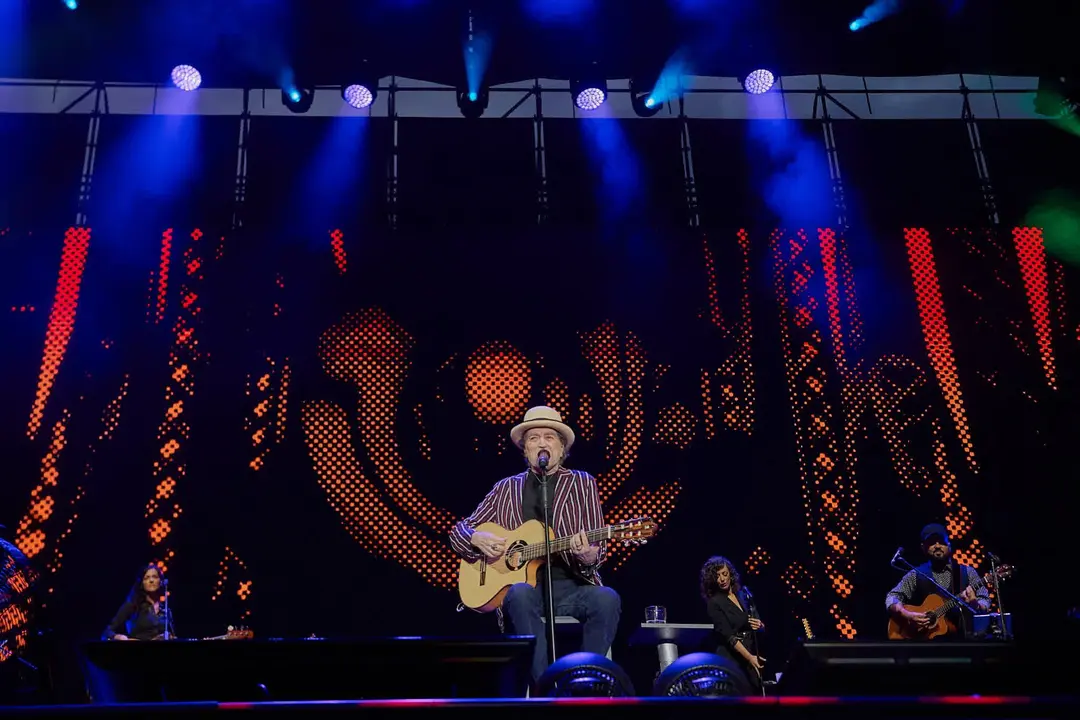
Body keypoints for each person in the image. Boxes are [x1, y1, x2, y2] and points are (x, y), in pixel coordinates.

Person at [449, 406, 621, 685]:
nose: (542, 443)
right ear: (525, 449)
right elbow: (459, 530)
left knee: (607, 598)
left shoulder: (582, 483)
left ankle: (585, 681)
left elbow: (596, 552)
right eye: (533, 438)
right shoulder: (505, 489)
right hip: (525, 593)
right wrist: (475, 538)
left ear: (562, 449)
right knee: (518, 593)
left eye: (549, 437)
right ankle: (546, 686)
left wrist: (588, 555)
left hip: (571, 586)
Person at [886, 523, 990, 639]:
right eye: (931, 542)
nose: (937, 546)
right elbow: (892, 596)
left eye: (941, 541)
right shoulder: (916, 574)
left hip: (963, 639)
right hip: (925, 641)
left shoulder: (967, 572)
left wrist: (976, 605)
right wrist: (907, 614)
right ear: (923, 547)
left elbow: (984, 600)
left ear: (949, 545)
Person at [701, 556, 765, 693]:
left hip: (749, 656)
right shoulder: (714, 603)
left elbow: (756, 624)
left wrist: (760, 626)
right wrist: (749, 657)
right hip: (731, 658)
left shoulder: (742, 595)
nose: (722, 579)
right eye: (717, 576)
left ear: (730, 573)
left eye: (724, 574)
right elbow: (728, 636)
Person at [103, 564, 174, 641]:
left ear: (161, 581)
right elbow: (107, 632)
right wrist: (121, 637)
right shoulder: (132, 605)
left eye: (155, 577)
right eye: (146, 578)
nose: (151, 580)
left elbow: (173, 636)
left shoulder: (166, 610)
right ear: (142, 583)